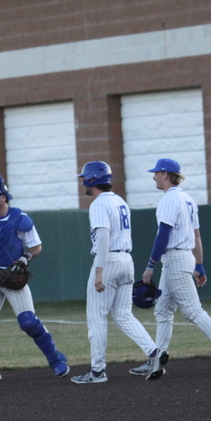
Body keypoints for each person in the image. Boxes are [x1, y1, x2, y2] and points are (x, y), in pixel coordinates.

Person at [137, 158, 211, 376]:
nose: (154, 176)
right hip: (184, 258)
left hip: (175, 259)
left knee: (193, 311)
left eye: (156, 173)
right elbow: (196, 235)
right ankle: (157, 359)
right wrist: (200, 265)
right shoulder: (188, 199)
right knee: (163, 310)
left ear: (166, 174)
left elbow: (163, 235)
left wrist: (150, 265)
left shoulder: (169, 199)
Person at [0, 172, 69, 381]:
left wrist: (24, 259)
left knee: (28, 322)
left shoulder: (19, 219)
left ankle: (56, 359)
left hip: (12, 275)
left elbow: (36, 246)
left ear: (3, 197)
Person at [70, 161, 164, 384]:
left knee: (96, 317)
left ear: (93, 180)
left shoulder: (99, 204)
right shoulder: (120, 201)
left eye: (85, 178)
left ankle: (97, 371)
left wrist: (100, 272)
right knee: (123, 314)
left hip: (109, 260)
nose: (83, 181)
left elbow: (103, 237)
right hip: (126, 260)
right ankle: (155, 352)